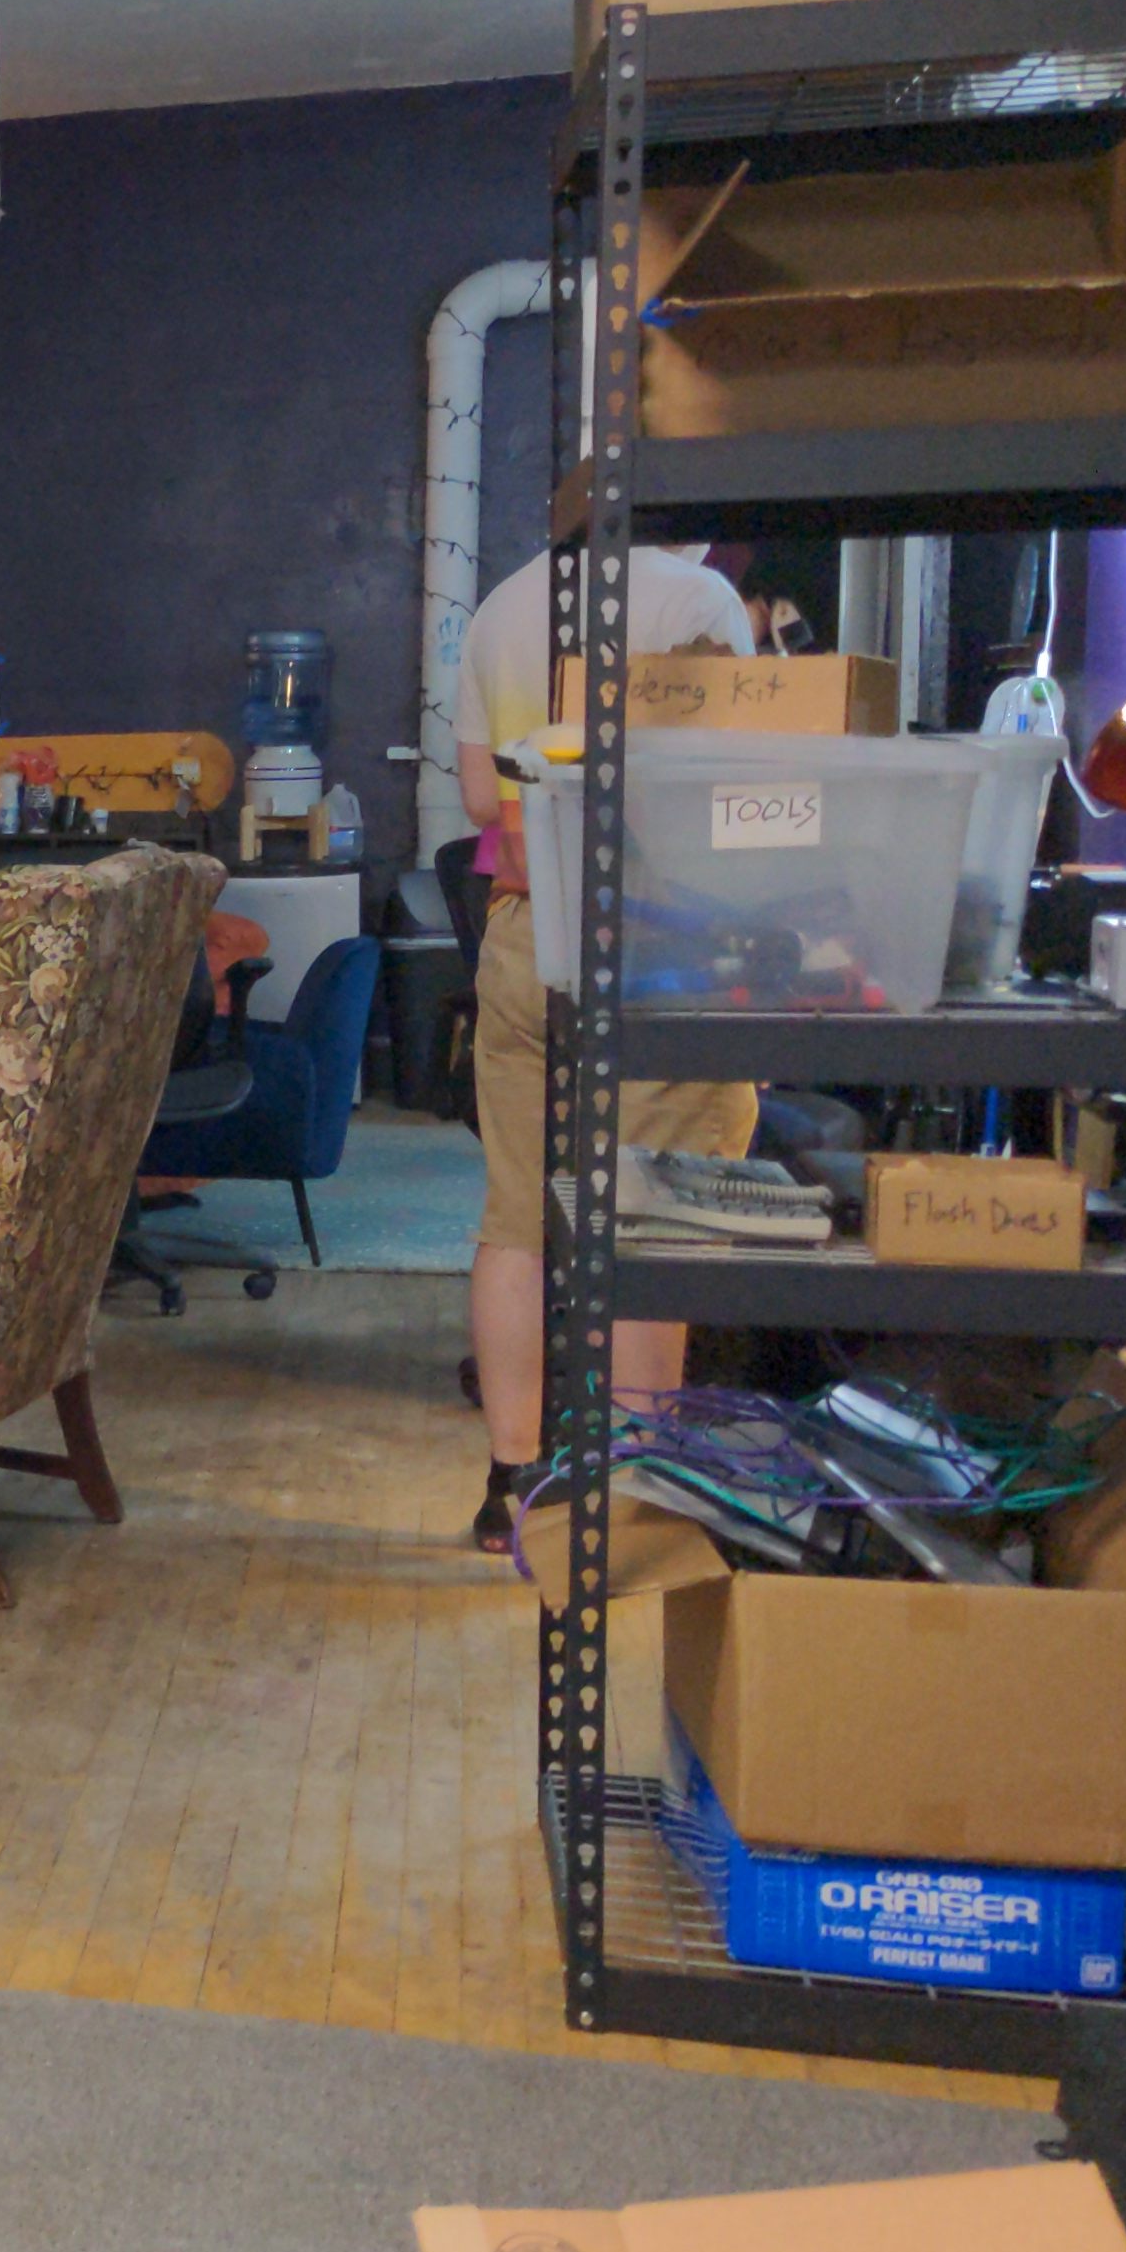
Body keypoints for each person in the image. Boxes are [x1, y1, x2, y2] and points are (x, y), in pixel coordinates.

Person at [452, 543, 761, 1553]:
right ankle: (633, 1494)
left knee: (518, 1217)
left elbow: (477, 804)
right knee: (651, 1220)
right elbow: (725, 786)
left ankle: (513, 1485)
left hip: (523, 934)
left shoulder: (503, 602)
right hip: (657, 942)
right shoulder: (698, 599)